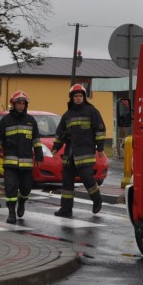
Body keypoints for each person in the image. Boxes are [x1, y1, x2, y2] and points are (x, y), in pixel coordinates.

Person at [53, 83, 106, 217]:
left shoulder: (92, 111)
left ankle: (97, 199)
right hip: (69, 154)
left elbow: (100, 131)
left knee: (87, 178)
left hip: (85, 152)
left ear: (84, 97)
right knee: (67, 183)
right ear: (71, 98)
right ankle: (66, 209)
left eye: (80, 96)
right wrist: (56, 147)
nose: (78, 98)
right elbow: (60, 133)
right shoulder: (67, 115)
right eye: (75, 96)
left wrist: (100, 148)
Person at [0, 91, 43, 225]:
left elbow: (36, 141)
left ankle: (22, 202)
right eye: (18, 103)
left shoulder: (31, 121)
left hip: (26, 163)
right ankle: (11, 213)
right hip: (10, 163)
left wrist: (39, 156)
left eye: (23, 103)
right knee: (11, 187)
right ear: (13, 104)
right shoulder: (5, 121)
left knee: (26, 188)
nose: (21, 106)